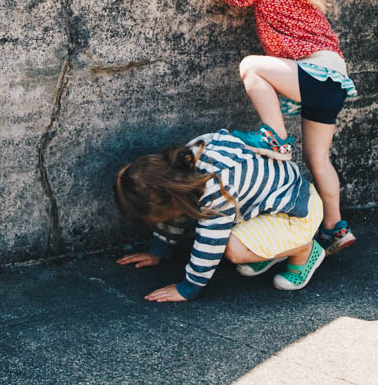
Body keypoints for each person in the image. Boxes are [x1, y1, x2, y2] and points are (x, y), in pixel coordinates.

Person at [210, 0, 357, 254]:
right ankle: (336, 227)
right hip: (334, 77)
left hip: (312, 72)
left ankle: (275, 137)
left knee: (252, 67)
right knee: (318, 158)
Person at [115, 129, 325, 302]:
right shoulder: (187, 159)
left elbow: (210, 244)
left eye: (161, 218)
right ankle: (272, 249)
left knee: (233, 249)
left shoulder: (217, 187)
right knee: (231, 239)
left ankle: (304, 250)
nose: (163, 222)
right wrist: (158, 251)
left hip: (298, 212)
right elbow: (178, 210)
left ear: (169, 200)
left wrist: (187, 289)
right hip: (275, 205)